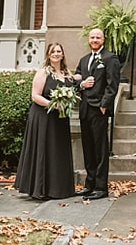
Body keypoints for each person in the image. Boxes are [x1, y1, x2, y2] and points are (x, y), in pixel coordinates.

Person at [13, 42, 76, 201]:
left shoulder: (67, 73)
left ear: (62, 54)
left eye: (59, 51)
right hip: (43, 116)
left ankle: (60, 189)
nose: (56, 54)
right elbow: (35, 96)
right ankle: (41, 188)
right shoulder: (43, 73)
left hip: (60, 119)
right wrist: (53, 105)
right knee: (44, 149)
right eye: (53, 51)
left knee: (57, 151)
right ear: (48, 55)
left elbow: (74, 88)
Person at [73, 28, 119, 200]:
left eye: (98, 37)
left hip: (98, 109)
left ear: (103, 39)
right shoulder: (84, 60)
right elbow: (74, 83)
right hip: (85, 109)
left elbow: (112, 84)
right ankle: (89, 184)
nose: (94, 40)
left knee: (100, 150)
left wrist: (104, 105)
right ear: (88, 39)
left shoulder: (110, 58)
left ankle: (101, 187)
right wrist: (82, 85)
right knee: (88, 148)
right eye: (92, 37)